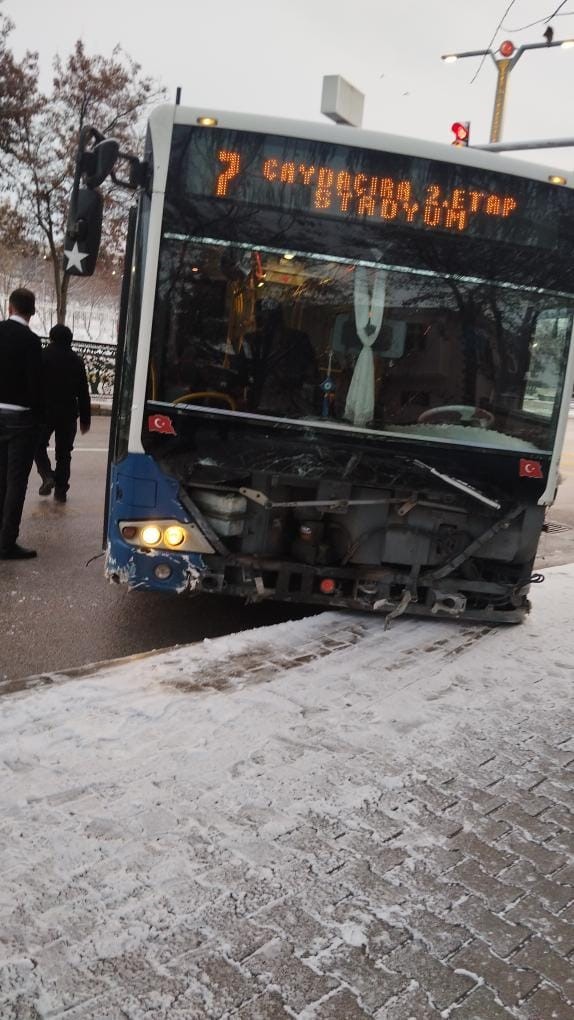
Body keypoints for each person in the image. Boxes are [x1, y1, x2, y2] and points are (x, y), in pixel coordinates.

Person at [0, 288, 43, 560]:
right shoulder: (31, 342)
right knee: (16, 482)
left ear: (10, 307)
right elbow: (35, 385)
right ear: (33, 312)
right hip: (20, 419)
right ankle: (6, 543)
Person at [35, 324, 91, 503]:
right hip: (68, 414)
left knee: (37, 445)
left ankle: (47, 475)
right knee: (64, 453)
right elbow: (83, 392)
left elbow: (33, 386)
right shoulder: (77, 361)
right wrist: (85, 419)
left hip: (45, 413)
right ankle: (61, 491)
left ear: (51, 338)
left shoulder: (43, 356)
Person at [239, 300, 318, 417]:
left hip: (259, 406)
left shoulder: (251, 340)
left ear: (258, 317)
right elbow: (312, 376)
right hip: (291, 408)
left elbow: (242, 376)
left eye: (255, 315)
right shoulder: (300, 339)